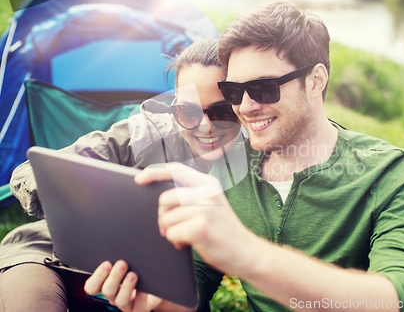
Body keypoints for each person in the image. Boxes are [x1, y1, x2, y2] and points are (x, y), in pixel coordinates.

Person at [85, 1, 404, 312]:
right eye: (234, 91)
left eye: (264, 88)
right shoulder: (226, 166)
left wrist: (250, 255)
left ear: (315, 81)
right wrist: (155, 302)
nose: (246, 107)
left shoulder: (392, 173)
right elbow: (196, 284)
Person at [0, 38, 242, 312]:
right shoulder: (146, 133)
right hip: (51, 256)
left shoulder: (255, 164)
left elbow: (199, 285)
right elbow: (29, 171)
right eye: (187, 111)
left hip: (154, 287)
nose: (204, 126)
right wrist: (69, 199)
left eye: (222, 111)